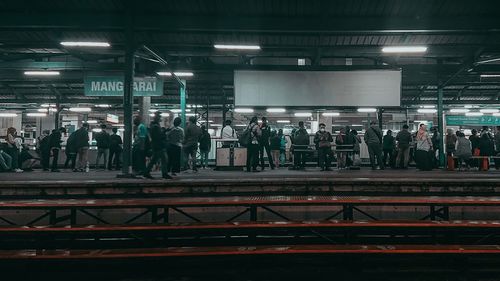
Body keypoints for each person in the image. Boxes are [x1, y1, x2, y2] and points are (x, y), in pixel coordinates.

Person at [143, 112, 171, 180]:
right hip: (159, 145)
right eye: (159, 117)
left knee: (154, 159)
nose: (160, 118)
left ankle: (146, 172)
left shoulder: (154, 125)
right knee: (164, 159)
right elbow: (158, 136)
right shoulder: (155, 126)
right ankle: (164, 174)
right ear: (157, 118)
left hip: (156, 145)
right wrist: (164, 133)